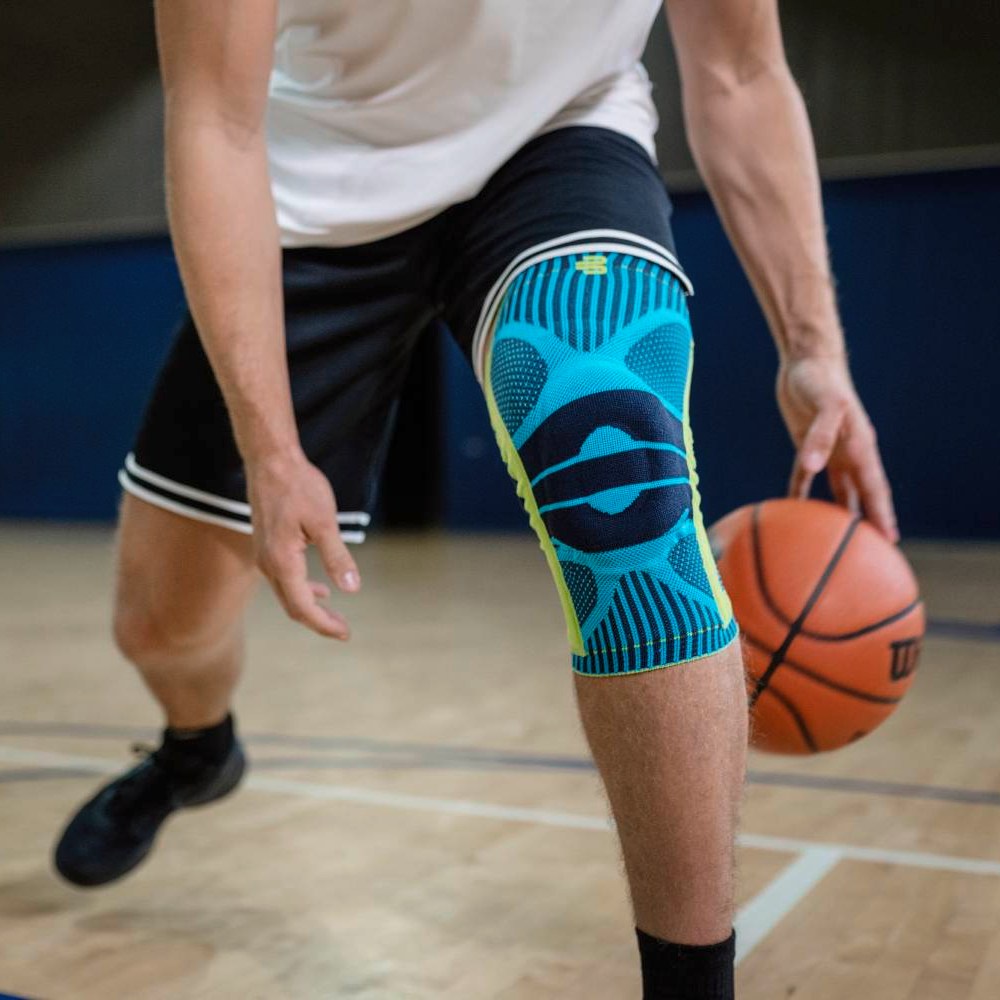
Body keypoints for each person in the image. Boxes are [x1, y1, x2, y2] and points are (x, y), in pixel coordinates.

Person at [53, 1, 897, 997]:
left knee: (627, 517)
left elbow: (741, 72)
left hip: (559, 142)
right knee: (162, 626)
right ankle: (199, 747)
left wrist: (813, 350)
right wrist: (271, 447)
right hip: (319, 183)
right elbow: (215, 122)